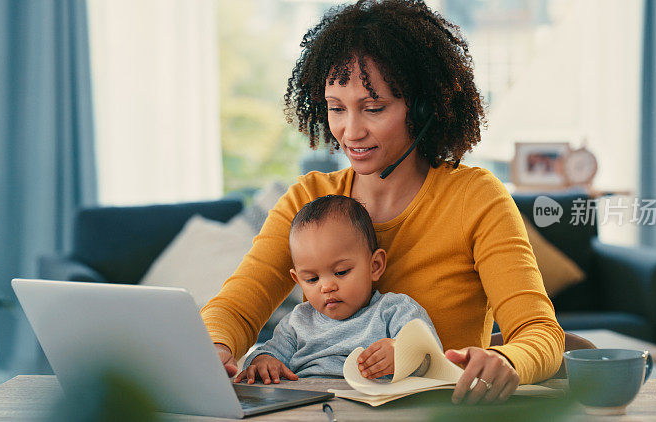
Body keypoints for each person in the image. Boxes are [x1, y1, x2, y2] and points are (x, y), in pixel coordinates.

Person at [202, 0, 565, 405]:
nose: (350, 132)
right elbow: (235, 308)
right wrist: (215, 348)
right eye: (336, 108)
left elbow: (540, 332)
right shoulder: (308, 198)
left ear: (422, 107)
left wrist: (506, 359)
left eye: (373, 108)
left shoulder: (476, 197)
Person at [234, 194, 440, 383]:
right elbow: (266, 355)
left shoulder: (394, 310)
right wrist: (263, 362)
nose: (327, 287)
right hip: (307, 407)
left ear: (374, 266)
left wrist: (404, 353)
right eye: (312, 279)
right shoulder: (297, 323)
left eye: (341, 272)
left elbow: (432, 358)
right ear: (298, 280)